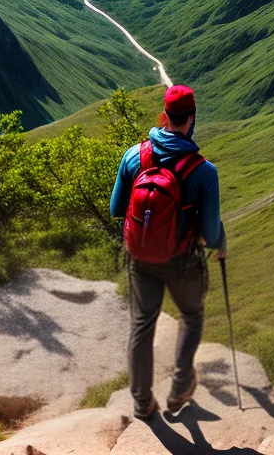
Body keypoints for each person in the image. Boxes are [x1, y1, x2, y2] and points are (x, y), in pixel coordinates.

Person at [110, 84, 226, 420]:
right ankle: (178, 390)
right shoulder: (204, 171)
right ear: (190, 118)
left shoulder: (134, 155)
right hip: (181, 262)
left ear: (165, 114)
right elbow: (210, 234)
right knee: (192, 315)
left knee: (142, 325)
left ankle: (142, 402)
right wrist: (220, 240)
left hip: (141, 259)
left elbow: (117, 208)